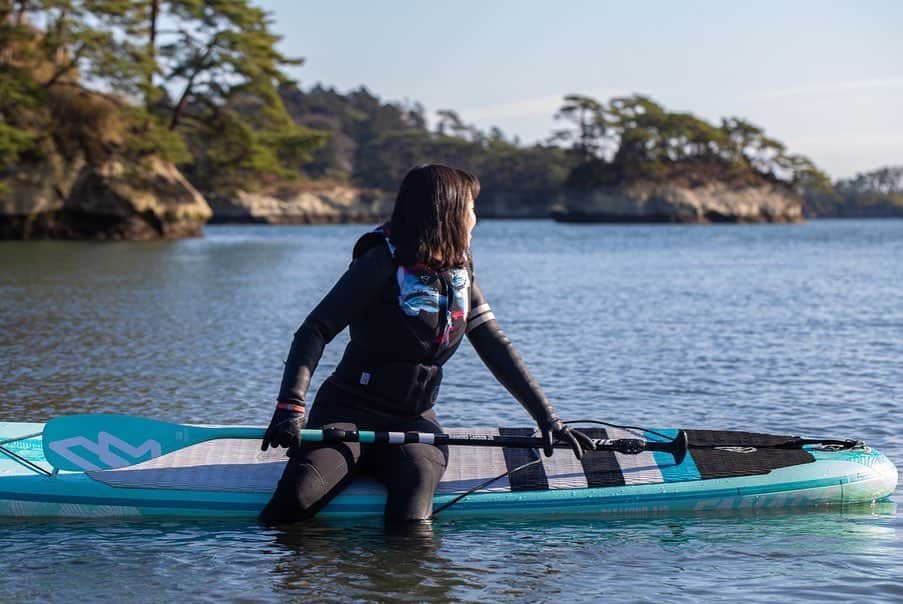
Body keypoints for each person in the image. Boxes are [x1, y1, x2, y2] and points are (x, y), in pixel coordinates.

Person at [259, 164, 594, 525]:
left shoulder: (460, 273)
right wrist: (290, 409)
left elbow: (494, 343)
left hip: (414, 424)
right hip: (347, 414)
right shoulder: (381, 262)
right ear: (447, 212)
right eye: (471, 208)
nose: (474, 219)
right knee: (292, 507)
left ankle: (390, 582)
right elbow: (314, 329)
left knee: (413, 517)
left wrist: (549, 419)